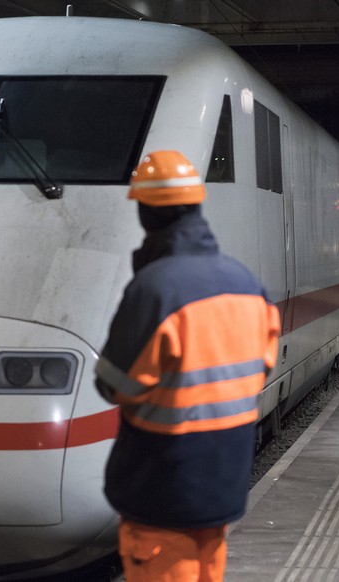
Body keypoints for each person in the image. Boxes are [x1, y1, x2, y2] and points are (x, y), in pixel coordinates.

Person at [95, 150, 281, 582]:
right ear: (197, 206)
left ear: (146, 213)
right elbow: (261, 365)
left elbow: (115, 384)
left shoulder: (156, 289)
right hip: (223, 479)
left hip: (162, 487)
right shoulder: (245, 282)